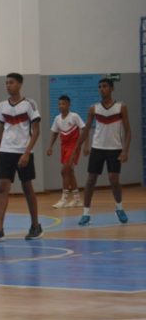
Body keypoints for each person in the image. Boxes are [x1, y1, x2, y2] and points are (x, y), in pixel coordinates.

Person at [0, 72, 42, 243]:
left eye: (11, 82)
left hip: (23, 152)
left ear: (19, 84)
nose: (8, 85)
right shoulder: (2, 105)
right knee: (3, 187)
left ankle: (35, 225)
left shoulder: (29, 104)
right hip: (6, 151)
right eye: (6, 83)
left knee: (27, 188)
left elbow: (36, 131)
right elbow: (1, 130)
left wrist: (26, 153)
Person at [72, 78, 131, 225]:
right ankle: (86, 213)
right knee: (91, 180)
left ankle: (119, 207)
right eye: (99, 87)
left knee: (114, 179)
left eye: (104, 86)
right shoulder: (94, 108)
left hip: (115, 148)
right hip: (97, 148)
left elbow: (129, 131)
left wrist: (125, 151)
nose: (101, 89)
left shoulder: (121, 107)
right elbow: (85, 130)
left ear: (111, 89)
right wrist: (77, 148)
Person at [45, 95, 84, 209]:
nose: (61, 106)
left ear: (69, 105)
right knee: (70, 171)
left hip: (74, 146)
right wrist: (50, 146)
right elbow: (55, 133)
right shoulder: (57, 118)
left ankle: (64, 199)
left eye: (63, 104)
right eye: (59, 104)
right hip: (64, 147)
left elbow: (84, 128)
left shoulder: (74, 116)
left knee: (64, 171)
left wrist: (85, 145)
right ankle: (77, 199)